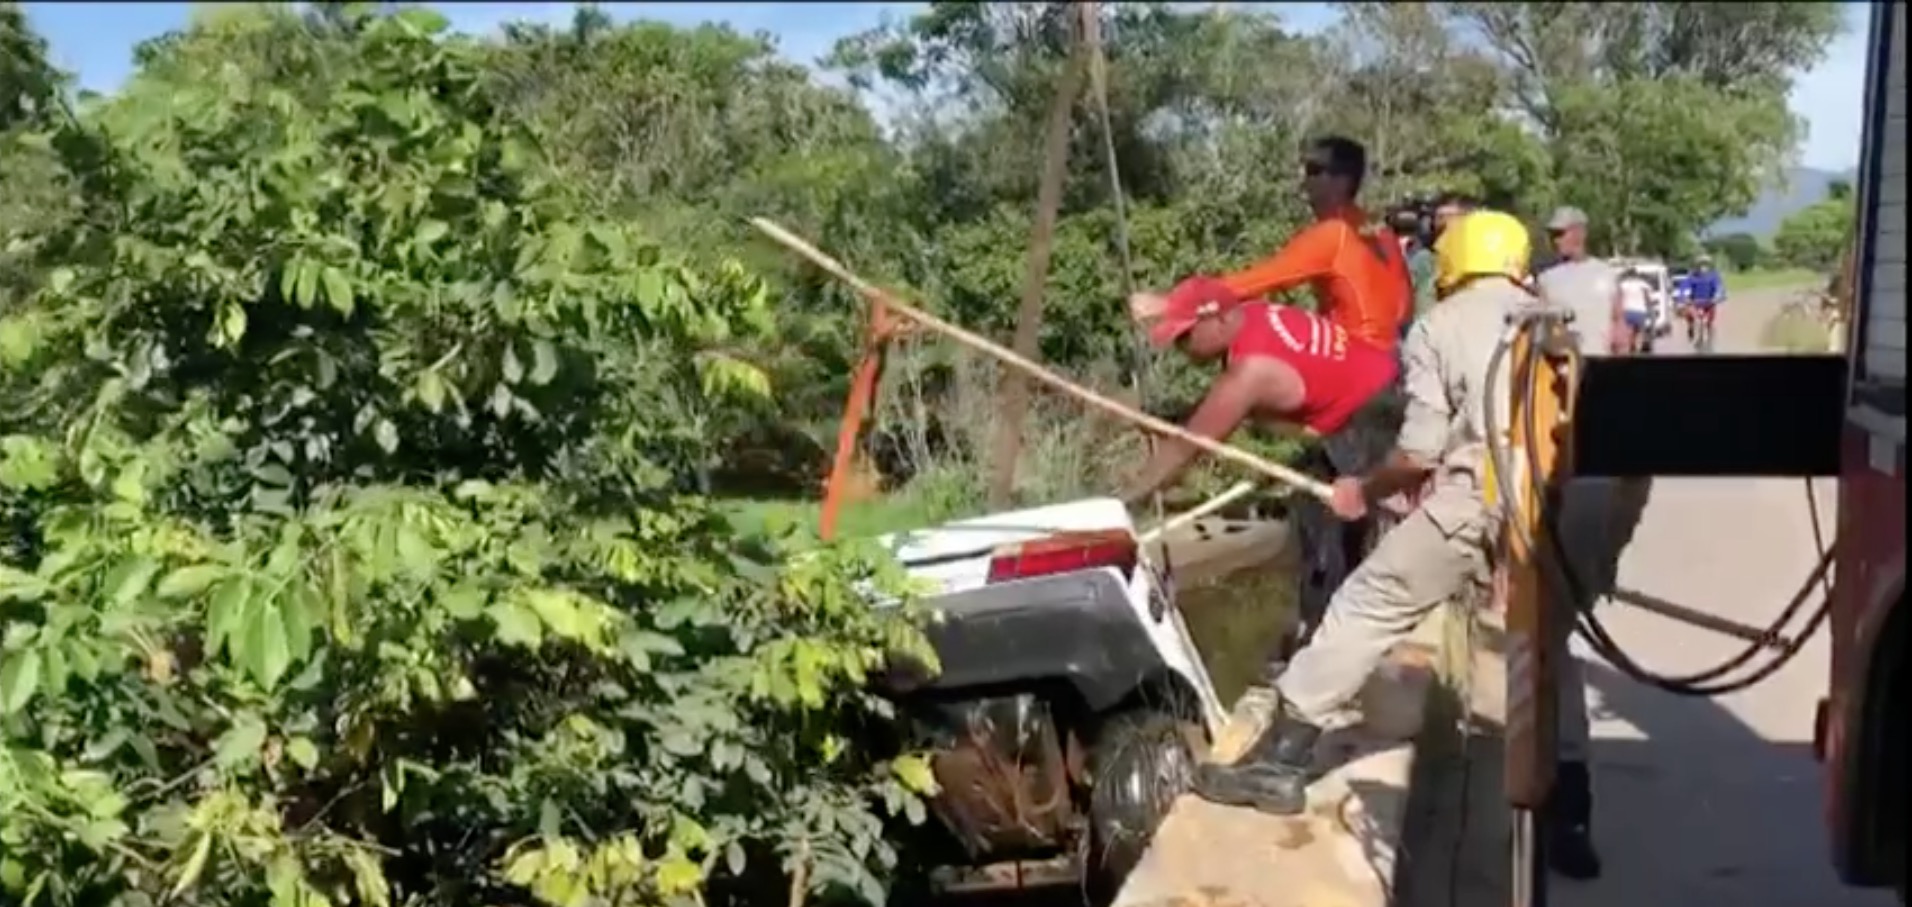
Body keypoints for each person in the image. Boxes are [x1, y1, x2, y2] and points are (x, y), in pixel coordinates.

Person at [1187, 210, 1635, 882]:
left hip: (1484, 491)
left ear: (1452, 266)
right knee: (1546, 641)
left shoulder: (1440, 325)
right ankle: (1571, 811)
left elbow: (1419, 452)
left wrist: (1362, 490)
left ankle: (1280, 761)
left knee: (1369, 599)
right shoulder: (1552, 316)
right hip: (1570, 495)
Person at [1117, 277, 1399, 506]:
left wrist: (1120, 502)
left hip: (1379, 425)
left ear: (1220, 321)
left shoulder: (1249, 374)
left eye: (1185, 336)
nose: (1181, 347)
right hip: (1391, 378)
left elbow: (1185, 449)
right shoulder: (1253, 312)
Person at [1134, 136, 1412, 354]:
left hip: (1357, 358)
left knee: (1254, 323)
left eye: (1315, 170)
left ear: (1342, 181)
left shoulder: (1333, 233)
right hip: (1392, 360)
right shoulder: (1378, 228)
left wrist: (1172, 305)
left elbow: (1257, 281)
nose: (1305, 179)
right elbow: (1403, 305)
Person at [1536, 206, 1628, 356]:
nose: (1556, 241)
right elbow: (1542, 332)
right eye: (1553, 235)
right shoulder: (1546, 279)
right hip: (1562, 370)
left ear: (1580, 233)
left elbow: (1619, 324)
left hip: (1599, 364)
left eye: (1560, 234)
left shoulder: (1607, 274)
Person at [1681, 253, 1726, 347]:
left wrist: (1718, 296)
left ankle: (1709, 337)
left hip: (1709, 303)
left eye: (1705, 264)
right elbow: (1684, 288)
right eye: (1701, 264)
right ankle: (1692, 329)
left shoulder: (1714, 276)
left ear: (1709, 266)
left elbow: (1719, 288)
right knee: (1691, 317)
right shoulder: (1691, 277)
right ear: (1697, 266)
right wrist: (1685, 297)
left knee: (1709, 322)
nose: (1703, 267)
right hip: (1695, 303)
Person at [1615, 266, 1656, 354]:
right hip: (1640, 311)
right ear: (1637, 275)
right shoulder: (1643, 284)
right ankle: (1641, 345)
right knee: (1639, 331)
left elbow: (1618, 298)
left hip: (1627, 311)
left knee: (1630, 331)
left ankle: (1631, 347)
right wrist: (1650, 306)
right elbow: (1648, 299)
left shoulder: (1623, 285)